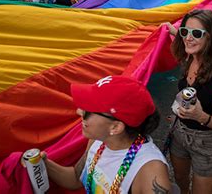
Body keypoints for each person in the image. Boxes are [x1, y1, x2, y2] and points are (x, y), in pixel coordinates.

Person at [41, 75, 171, 193]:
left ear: (115, 127)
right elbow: (75, 177)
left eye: (89, 109)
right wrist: (43, 163)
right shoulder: (98, 141)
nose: (79, 111)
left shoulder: (151, 171)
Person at [167, 9, 212, 194]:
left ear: (210, 37)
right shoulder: (190, 57)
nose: (188, 38)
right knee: (181, 181)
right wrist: (171, 29)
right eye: (185, 31)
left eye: (196, 33)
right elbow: (186, 38)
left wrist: (201, 116)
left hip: (206, 142)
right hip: (179, 134)